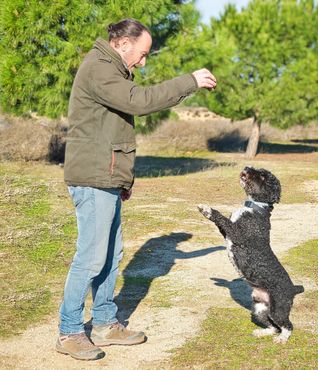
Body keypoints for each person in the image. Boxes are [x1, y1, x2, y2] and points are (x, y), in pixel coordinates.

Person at [56, 18, 217, 361]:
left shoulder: (112, 68)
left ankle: (103, 324)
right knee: (91, 257)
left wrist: (122, 180)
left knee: (110, 256)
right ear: (122, 44)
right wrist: (189, 81)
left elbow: (113, 130)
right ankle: (69, 331)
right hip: (93, 177)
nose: (143, 62)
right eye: (142, 54)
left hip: (107, 176)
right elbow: (139, 101)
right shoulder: (99, 67)